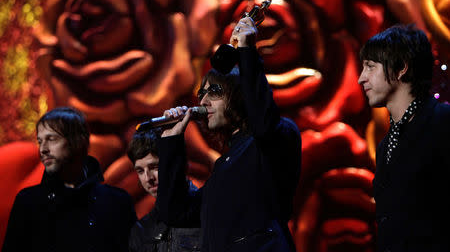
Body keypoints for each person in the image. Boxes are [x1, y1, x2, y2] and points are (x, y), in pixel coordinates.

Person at [155, 16, 302, 252]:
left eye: (213, 91)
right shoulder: (226, 164)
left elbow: (263, 124)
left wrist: (246, 51)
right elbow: (175, 212)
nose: (202, 101)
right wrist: (171, 141)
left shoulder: (275, 136)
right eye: (201, 94)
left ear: (241, 94)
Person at [358, 25, 450, 252]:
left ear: (401, 68)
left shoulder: (443, 123)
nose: (361, 78)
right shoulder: (385, 145)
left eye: (370, 67)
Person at [1, 107, 136, 252]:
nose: (43, 149)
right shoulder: (27, 200)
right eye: (40, 141)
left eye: (52, 139)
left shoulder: (117, 201)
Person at [127, 129, 201, 252]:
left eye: (154, 167)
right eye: (140, 171)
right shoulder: (141, 230)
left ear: (173, 165)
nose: (148, 178)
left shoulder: (205, 210)